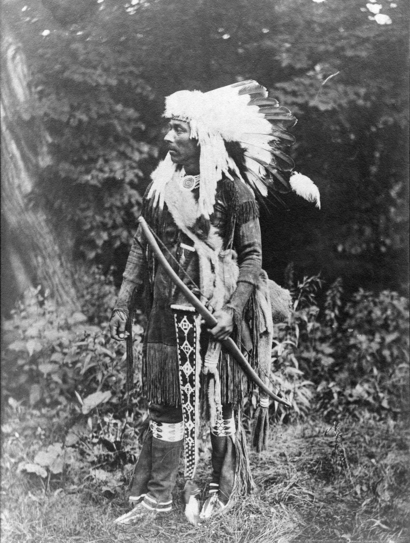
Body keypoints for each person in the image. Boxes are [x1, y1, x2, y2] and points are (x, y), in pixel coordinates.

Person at [109, 80, 320, 526]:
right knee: (166, 404)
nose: (168, 137)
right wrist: (123, 301)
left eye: (178, 129)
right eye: (168, 127)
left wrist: (232, 309)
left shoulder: (233, 192)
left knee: (221, 403)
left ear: (202, 136)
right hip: (166, 315)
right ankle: (160, 496)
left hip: (217, 314)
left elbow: (252, 257)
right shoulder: (162, 185)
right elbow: (139, 244)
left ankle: (219, 488)